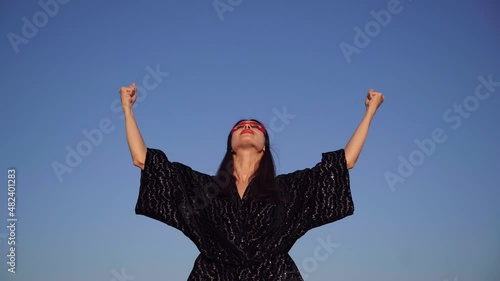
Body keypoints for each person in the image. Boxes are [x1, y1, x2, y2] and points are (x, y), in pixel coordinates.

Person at [119, 82, 384, 280]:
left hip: (275, 274)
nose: (247, 127)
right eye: (239, 126)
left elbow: (344, 162)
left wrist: (370, 111)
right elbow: (143, 160)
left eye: (255, 126)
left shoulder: (288, 190)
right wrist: (127, 110)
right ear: (231, 146)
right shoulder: (203, 189)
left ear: (264, 146)